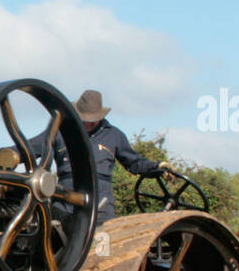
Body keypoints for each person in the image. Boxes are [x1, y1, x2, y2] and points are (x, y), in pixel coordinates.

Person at [69, 89, 174, 222]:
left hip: (100, 209)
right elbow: (35, 148)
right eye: (85, 118)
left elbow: (135, 163)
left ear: (100, 116)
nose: (88, 123)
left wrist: (157, 167)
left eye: (92, 119)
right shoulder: (62, 132)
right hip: (65, 207)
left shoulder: (114, 136)